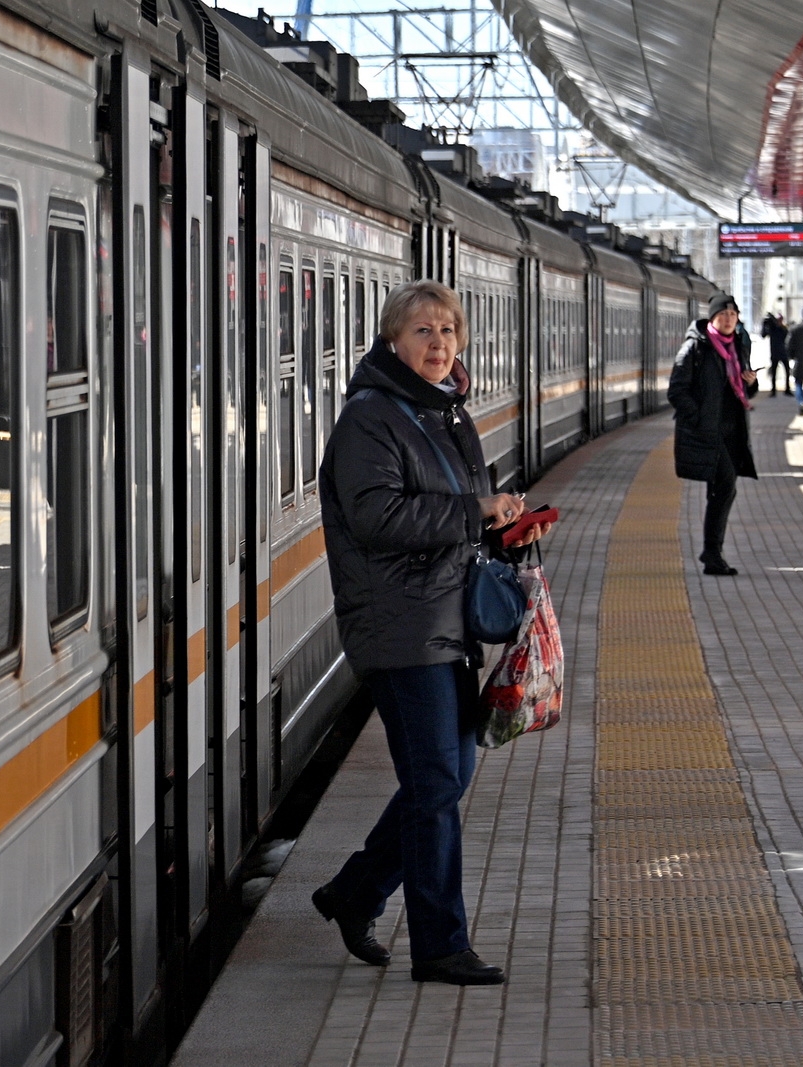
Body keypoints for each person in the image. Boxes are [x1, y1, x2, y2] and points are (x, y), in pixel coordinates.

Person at [313, 279, 551, 987]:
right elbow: (377, 519)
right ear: (392, 340)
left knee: (450, 773)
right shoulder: (371, 418)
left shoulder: (443, 413)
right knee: (438, 781)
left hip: (443, 621)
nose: (440, 343)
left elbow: (450, 517)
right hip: (400, 625)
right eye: (423, 331)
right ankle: (440, 944)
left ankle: (354, 893)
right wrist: (474, 511)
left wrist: (502, 528)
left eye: (449, 330)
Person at [668, 292, 758, 576]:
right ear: (712, 318)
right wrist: (699, 418)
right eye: (723, 315)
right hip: (709, 433)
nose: (729, 319)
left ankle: (712, 552)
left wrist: (751, 383)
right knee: (726, 487)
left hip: (732, 432)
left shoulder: (739, 347)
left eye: (733, 315)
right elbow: (676, 390)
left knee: (722, 491)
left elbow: (743, 390)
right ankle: (712, 553)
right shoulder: (695, 348)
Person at [760, 311, 790, 395]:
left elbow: (787, 338)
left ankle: (787, 389)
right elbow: (763, 335)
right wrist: (764, 324)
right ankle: (773, 390)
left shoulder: (784, 329)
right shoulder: (772, 329)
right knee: (774, 372)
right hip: (775, 353)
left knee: (787, 372)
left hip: (784, 353)